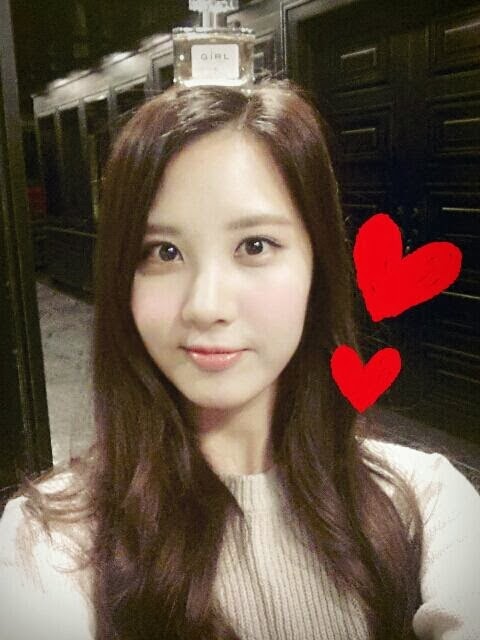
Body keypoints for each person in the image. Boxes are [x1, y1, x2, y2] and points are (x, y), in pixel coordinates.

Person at [1, 79, 479, 640]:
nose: (206, 306)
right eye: (164, 252)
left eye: (254, 245)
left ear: (318, 265)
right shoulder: (50, 541)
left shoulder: (425, 502)